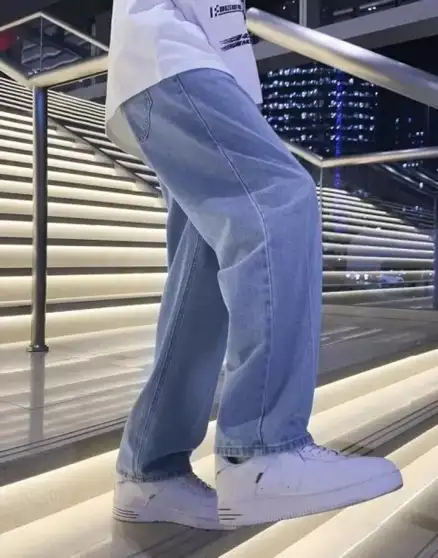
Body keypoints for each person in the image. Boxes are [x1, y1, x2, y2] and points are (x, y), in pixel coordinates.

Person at [105, 0, 402, 529]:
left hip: (173, 61)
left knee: (200, 266)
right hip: (175, 52)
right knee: (280, 197)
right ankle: (263, 451)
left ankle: (150, 471)